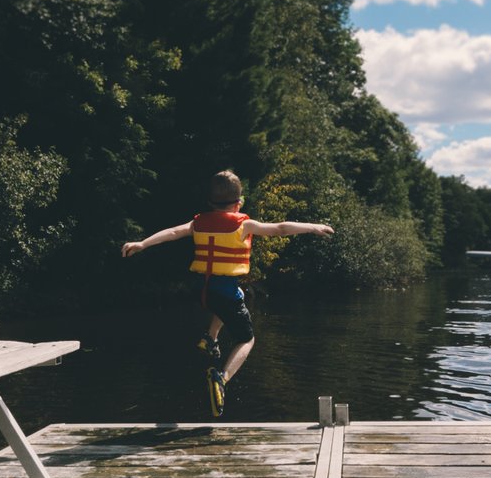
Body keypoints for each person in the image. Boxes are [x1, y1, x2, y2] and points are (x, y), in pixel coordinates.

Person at [122, 169, 334, 417]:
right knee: (247, 339)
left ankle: (210, 337)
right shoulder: (243, 225)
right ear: (239, 202)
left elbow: (171, 233)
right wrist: (313, 226)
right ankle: (222, 379)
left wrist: (142, 243)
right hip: (223, 291)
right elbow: (280, 229)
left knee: (237, 296)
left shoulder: (198, 222)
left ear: (210, 202)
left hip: (202, 290)